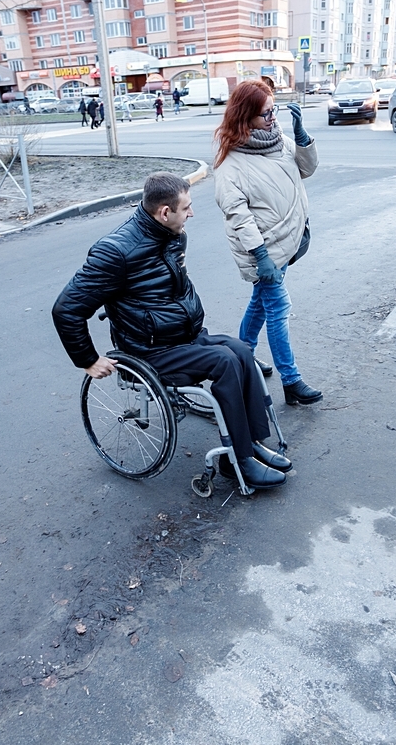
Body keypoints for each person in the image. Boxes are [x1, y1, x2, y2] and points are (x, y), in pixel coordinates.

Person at [52, 173, 292, 489]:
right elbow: (66, 309)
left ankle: (253, 443)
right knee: (225, 362)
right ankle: (238, 460)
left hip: (183, 337)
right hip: (150, 350)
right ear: (165, 212)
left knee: (242, 351)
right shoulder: (115, 252)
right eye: (187, 208)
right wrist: (87, 359)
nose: (192, 213)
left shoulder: (174, 234)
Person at [213, 80, 323, 407]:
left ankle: (242, 356)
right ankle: (291, 382)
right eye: (266, 113)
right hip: (264, 251)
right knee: (278, 308)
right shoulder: (230, 164)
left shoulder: (277, 140)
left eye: (273, 110)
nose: (272, 118)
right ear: (246, 117)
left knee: (260, 303)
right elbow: (238, 216)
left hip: (286, 242)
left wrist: (302, 138)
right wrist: (260, 256)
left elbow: (307, 168)